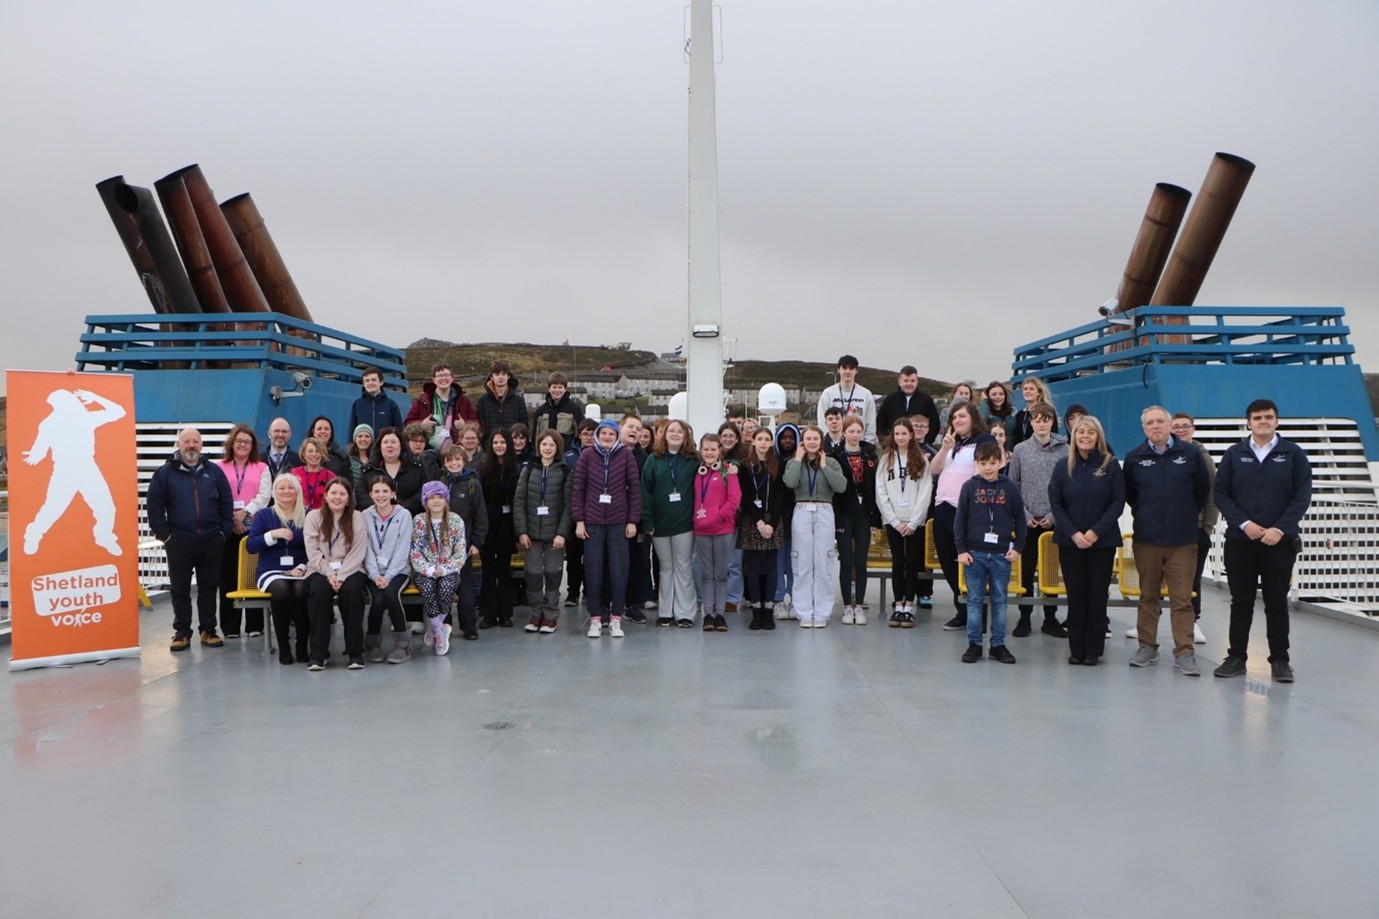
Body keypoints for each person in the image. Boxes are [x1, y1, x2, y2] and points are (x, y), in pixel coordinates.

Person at [1212, 399, 1313, 682]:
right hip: (1241, 541)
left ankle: (1280, 660)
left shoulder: (1293, 455)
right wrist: (1244, 524)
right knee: (1240, 601)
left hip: (1278, 542)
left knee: (1276, 602)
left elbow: (1301, 497)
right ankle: (1236, 657)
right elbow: (1221, 494)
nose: (1263, 421)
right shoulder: (1234, 454)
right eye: (1257, 418)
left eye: (1268, 417)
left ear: (1277, 421)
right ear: (1249, 423)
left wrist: (1279, 529)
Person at [1122, 405, 1210, 676]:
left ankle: (1184, 652)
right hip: (1147, 539)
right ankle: (1147, 646)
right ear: (1144, 428)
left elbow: (1202, 490)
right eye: (1150, 423)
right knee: (1148, 596)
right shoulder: (1135, 457)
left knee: (1182, 599)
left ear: (1169, 424)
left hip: (1182, 540)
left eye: (1160, 421)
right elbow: (1131, 495)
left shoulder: (1191, 454)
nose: (1156, 426)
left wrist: (1182, 517)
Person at [147, 427, 235, 651]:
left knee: (208, 587)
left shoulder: (214, 472)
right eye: (186, 442)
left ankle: (208, 630)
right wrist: (165, 536)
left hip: (210, 540)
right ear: (179, 445)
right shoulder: (164, 474)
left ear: (201, 445)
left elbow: (226, 502)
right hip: (179, 541)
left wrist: (223, 532)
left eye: (195, 442)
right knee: (180, 589)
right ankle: (182, 632)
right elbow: (154, 506)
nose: (191, 446)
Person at [1049, 415, 1124, 665]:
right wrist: (1074, 533)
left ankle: (1093, 650)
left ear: (1098, 436)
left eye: (1091, 432)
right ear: (1074, 435)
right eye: (1081, 432)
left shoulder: (1110, 465)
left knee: (1096, 595)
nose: (1085, 436)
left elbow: (1117, 503)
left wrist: (1095, 532)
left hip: (1101, 543)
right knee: (1076, 595)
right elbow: (1057, 503)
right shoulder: (1063, 466)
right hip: (1070, 542)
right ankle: (1076, 650)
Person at [954, 441, 1025, 664]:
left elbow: (1020, 520)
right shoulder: (969, 487)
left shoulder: (1010, 487)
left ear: (1001, 462)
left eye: (993, 463)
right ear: (976, 463)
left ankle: (998, 645)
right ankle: (974, 644)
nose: (988, 468)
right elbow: (960, 522)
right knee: (974, 600)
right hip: (974, 554)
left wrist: (1018, 548)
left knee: (1000, 600)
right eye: (983, 463)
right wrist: (961, 550)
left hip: (1001, 554)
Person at [930, 402, 997, 631]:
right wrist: (944, 448)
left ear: (973, 418)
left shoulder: (985, 440)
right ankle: (963, 610)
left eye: (961, 416)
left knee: (973, 564)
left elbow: (987, 474)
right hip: (943, 507)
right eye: (954, 418)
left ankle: (980, 614)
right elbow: (934, 470)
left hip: (968, 511)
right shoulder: (952, 443)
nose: (957, 420)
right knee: (949, 562)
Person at [572, 419, 641, 638]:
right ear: (598, 435)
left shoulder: (626, 456)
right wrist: (579, 520)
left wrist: (632, 521)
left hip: (618, 521)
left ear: (617, 435)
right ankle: (595, 618)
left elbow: (634, 490)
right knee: (593, 570)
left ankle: (616, 618)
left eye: (612, 434)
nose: (608, 437)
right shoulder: (587, 456)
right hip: (592, 521)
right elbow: (578, 490)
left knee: (619, 569)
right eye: (604, 433)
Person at [1006, 401, 1069, 639]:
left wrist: (1054, 516)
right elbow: (1013, 485)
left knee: (1050, 571)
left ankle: (1050, 618)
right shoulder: (1021, 449)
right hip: (1028, 521)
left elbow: (1067, 485)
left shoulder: (1064, 449)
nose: (1041, 423)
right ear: (1031, 422)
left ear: (1053, 421)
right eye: (1037, 419)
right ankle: (1024, 617)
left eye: (1046, 419)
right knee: (1026, 569)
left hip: (1055, 520)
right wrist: (1025, 515)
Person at [782, 425, 847, 627]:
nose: (812, 442)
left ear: (821, 441)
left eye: (815, 439)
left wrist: (825, 466)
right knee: (802, 563)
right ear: (802, 441)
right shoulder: (795, 463)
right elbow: (790, 483)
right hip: (801, 509)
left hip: (824, 510)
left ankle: (821, 613)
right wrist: (798, 458)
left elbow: (840, 486)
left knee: (824, 562)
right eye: (808, 439)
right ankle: (804, 611)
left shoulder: (833, 462)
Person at [303, 478, 368, 670]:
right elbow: (312, 552)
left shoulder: (357, 517)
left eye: (342, 494)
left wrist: (340, 576)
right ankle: (318, 655)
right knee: (319, 592)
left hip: (351, 569)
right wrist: (330, 573)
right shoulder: (313, 517)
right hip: (320, 569)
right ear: (325, 496)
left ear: (348, 499)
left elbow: (358, 551)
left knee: (352, 592)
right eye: (333, 493)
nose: (337, 497)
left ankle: (355, 653)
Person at [214, 423, 271, 638]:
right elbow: (216, 494)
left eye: (247, 442)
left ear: (253, 445)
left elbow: (264, 496)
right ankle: (230, 627)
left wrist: (244, 513)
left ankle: (255, 625)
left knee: (255, 575)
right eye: (239, 441)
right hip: (227, 527)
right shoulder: (219, 467)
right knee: (227, 576)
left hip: (254, 527)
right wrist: (232, 516)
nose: (242, 445)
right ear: (232, 443)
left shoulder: (262, 468)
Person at [247, 474, 311, 665]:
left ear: (298, 491)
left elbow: (317, 547)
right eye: (281, 488)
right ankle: (284, 646)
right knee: (281, 589)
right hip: (270, 570)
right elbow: (251, 545)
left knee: (301, 591)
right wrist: (272, 535)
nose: (286, 491)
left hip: (302, 568)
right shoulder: (264, 515)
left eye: (290, 488)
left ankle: (301, 644)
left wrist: (301, 567)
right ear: (274, 491)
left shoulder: (308, 514)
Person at [641, 419, 698, 627]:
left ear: (685, 437)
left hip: (684, 523)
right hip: (659, 524)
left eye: (679, 432)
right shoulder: (653, 460)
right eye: (671, 431)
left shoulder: (693, 460)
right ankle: (665, 612)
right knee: (666, 568)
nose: (675, 434)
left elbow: (717, 467)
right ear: (664, 435)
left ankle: (685, 613)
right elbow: (644, 491)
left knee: (683, 566)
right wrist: (647, 520)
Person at [875, 418, 932, 627]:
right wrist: (893, 520)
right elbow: (880, 492)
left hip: (914, 521)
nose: (900, 437)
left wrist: (914, 522)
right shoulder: (885, 460)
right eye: (896, 434)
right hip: (894, 521)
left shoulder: (921, 460)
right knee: (897, 563)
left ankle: (909, 606)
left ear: (911, 435)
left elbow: (925, 492)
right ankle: (898, 605)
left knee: (912, 563)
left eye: (904, 433)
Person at [515, 431, 574, 633]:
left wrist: (562, 533)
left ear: (557, 448)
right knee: (532, 575)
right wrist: (522, 531)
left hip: (554, 535)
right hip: (531, 534)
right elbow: (519, 502)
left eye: (552, 445)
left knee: (553, 574)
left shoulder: (565, 471)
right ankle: (536, 613)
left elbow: (568, 506)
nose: (547, 448)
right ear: (538, 446)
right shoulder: (529, 469)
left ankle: (550, 615)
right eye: (544, 444)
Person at [1167, 413, 1217, 644]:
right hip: (1165, 528)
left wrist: (1206, 528)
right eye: (1176, 427)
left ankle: (1193, 622)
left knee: (1192, 578)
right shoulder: (1164, 453)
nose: (1181, 430)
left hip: (1195, 529)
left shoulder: (1202, 457)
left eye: (1185, 426)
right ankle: (1154, 619)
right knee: (1157, 577)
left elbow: (1211, 494)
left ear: (1193, 429)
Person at [431, 443, 487, 641]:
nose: (454, 463)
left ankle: (469, 626)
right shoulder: (439, 482)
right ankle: (445, 625)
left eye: (458, 459)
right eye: (450, 460)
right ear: (445, 463)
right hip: (440, 546)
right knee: (444, 587)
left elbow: (480, 515)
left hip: (463, 546)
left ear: (464, 461)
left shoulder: (472, 484)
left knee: (465, 588)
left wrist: (477, 543)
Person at [409, 480, 467, 656]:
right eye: (431, 497)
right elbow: (415, 551)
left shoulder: (456, 520)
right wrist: (428, 569)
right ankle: (440, 631)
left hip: (448, 568)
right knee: (427, 588)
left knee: (445, 588)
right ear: (425, 500)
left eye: (440, 497)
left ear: (446, 500)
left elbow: (460, 552)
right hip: (425, 569)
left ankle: (435, 629)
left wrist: (445, 569)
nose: (436, 501)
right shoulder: (418, 521)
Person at [360, 475, 414, 664]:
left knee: (391, 595)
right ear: (370, 494)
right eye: (377, 491)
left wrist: (389, 576)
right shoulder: (364, 516)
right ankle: (372, 645)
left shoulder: (404, 515)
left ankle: (403, 645)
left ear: (393, 493)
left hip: (398, 571)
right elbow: (365, 548)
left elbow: (403, 548)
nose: (381, 495)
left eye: (385, 491)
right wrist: (375, 575)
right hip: (373, 571)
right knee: (378, 598)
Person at [831, 415, 879, 624]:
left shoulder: (870, 456)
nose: (855, 435)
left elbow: (876, 488)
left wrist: (875, 519)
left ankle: (859, 605)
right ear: (844, 433)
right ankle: (846, 607)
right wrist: (836, 519)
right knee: (846, 561)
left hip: (864, 513)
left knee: (860, 560)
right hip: (844, 513)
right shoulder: (835, 456)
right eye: (851, 431)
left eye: (858, 431)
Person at [739, 426, 786, 631]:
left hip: (773, 521)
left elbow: (781, 496)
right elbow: (746, 497)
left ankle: (768, 610)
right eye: (760, 439)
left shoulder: (779, 465)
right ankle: (756, 611)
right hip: (753, 520)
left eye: (767, 439)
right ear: (754, 442)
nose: (764, 442)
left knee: (772, 568)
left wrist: (771, 524)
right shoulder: (745, 466)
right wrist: (759, 522)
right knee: (754, 568)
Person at [694, 433, 742, 632]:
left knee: (721, 574)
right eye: (706, 449)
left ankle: (720, 615)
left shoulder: (727, 472)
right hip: (701, 531)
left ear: (720, 450)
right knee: (706, 574)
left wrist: (718, 517)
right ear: (701, 450)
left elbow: (734, 499)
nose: (710, 453)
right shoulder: (697, 473)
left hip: (722, 529)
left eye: (713, 449)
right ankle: (707, 614)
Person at [478, 429, 519, 628]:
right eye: (495, 443)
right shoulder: (484, 468)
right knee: (488, 570)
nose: (499, 446)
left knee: (504, 569)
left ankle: (505, 613)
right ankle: (488, 614)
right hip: (488, 523)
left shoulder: (516, 468)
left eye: (502, 442)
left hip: (507, 524)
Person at [563, 419, 597, 608]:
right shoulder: (568, 457)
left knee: (592, 556)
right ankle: (572, 592)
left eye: (593, 433)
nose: (589, 437)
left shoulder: (601, 455)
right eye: (585, 433)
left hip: (594, 513)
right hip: (573, 512)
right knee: (574, 556)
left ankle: (588, 591)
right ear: (579, 435)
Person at [405, 362, 478, 449]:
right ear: (434, 379)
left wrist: (465, 426)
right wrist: (422, 424)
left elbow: (476, 424)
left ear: (452, 378)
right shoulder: (423, 400)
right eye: (439, 375)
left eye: (446, 375)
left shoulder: (463, 400)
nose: (443, 378)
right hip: (429, 450)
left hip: (456, 451)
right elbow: (407, 423)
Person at [353, 427, 424, 513]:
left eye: (393, 442)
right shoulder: (369, 469)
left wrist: (403, 509)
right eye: (385, 442)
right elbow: (361, 493)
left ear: (401, 446)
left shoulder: (416, 467)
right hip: (375, 518)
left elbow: (424, 491)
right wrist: (380, 510)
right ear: (380, 447)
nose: (389, 445)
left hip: (410, 517)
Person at [717, 421, 746, 613]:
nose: (728, 439)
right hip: (716, 518)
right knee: (717, 562)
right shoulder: (711, 457)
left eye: (731, 436)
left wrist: (739, 470)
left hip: (737, 518)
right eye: (724, 435)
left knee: (734, 562)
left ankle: (732, 598)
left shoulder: (744, 460)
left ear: (737, 439)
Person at [817, 354, 877, 444]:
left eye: (851, 368)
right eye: (844, 368)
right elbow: (822, 422)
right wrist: (829, 443)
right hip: (833, 446)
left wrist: (867, 444)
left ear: (856, 370)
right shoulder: (828, 393)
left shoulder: (866, 394)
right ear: (839, 369)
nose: (848, 371)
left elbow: (870, 424)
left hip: (858, 446)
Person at [772, 423, 800, 618]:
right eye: (784, 437)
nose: (787, 441)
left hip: (798, 513)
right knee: (778, 559)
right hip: (777, 514)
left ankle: (794, 597)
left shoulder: (802, 460)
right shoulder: (773, 461)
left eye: (791, 437)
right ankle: (778, 598)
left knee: (794, 558)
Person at [876, 365, 941, 447]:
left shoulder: (926, 400)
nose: (909, 384)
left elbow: (935, 424)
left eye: (912, 381)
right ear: (899, 382)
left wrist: (926, 443)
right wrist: (886, 444)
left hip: (919, 447)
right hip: (894, 446)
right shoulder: (890, 400)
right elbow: (880, 423)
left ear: (917, 381)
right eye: (906, 381)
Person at [475, 359, 530, 437]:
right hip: (489, 447)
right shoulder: (483, 401)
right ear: (491, 377)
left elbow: (524, 427)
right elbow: (480, 427)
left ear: (508, 376)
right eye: (497, 374)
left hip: (513, 446)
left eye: (503, 374)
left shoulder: (518, 401)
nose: (500, 377)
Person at [532, 371, 586, 442]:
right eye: (554, 387)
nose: (557, 390)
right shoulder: (540, 411)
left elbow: (581, 432)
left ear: (565, 389)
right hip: (546, 451)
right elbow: (535, 436)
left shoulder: (574, 408)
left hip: (567, 452)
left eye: (560, 387)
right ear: (549, 388)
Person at [348, 366, 403, 436]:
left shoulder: (391, 405)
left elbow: (399, 431)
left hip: (384, 446)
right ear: (364, 384)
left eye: (373, 380)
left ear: (381, 382)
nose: (370, 383)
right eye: (367, 380)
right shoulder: (357, 404)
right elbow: (352, 430)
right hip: (364, 446)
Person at [292, 438, 336, 511]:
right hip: (299, 516)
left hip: (323, 516)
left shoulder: (330, 476)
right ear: (304, 454)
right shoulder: (295, 473)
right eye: (310, 451)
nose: (314, 454)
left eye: (318, 451)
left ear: (322, 454)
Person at [1012, 377, 1059, 446]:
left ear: (1039, 392)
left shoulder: (1048, 411)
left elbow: (1054, 435)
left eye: (1031, 389)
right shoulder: (1020, 414)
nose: (1028, 391)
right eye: (1025, 389)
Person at [309, 415, 352, 484]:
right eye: (319, 429)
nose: (323, 431)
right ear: (313, 432)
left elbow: (348, 483)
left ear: (331, 432)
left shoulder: (341, 457)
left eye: (326, 429)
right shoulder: (303, 455)